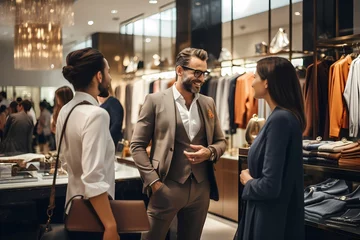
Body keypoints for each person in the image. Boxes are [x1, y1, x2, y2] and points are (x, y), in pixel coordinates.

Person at [131, 47, 226, 240]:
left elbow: (221, 141)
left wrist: (209, 152)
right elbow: (137, 145)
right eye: (196, 72)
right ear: (179, 70)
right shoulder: (155, 100)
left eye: (204, 73)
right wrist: (154, 182)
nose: (201, 78)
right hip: (166, 186)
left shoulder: (208, 103)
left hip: (201, 189)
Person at [237, 57, 305, 240]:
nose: (251, 83)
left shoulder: (280, 120)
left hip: (269, 220)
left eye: (256, 77)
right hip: (270, 215)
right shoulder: (282, 117)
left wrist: (248, 181)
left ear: (267, 82)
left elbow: (270, 186)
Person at [58, 47, 119, 240]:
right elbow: (93, 177)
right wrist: (110, 225)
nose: (109, 77)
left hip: (73, 209)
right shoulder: (97, 114)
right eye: (108, 71)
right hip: (95, 216)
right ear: (99, 76)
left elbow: (65, 162)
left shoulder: (65, 110)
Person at [50, 86, 73, 150]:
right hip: (58, 140)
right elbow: (53, 127)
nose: (56, 99)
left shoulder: (70, 111)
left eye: (57, 97)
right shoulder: (57, 109)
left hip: (67, 144)